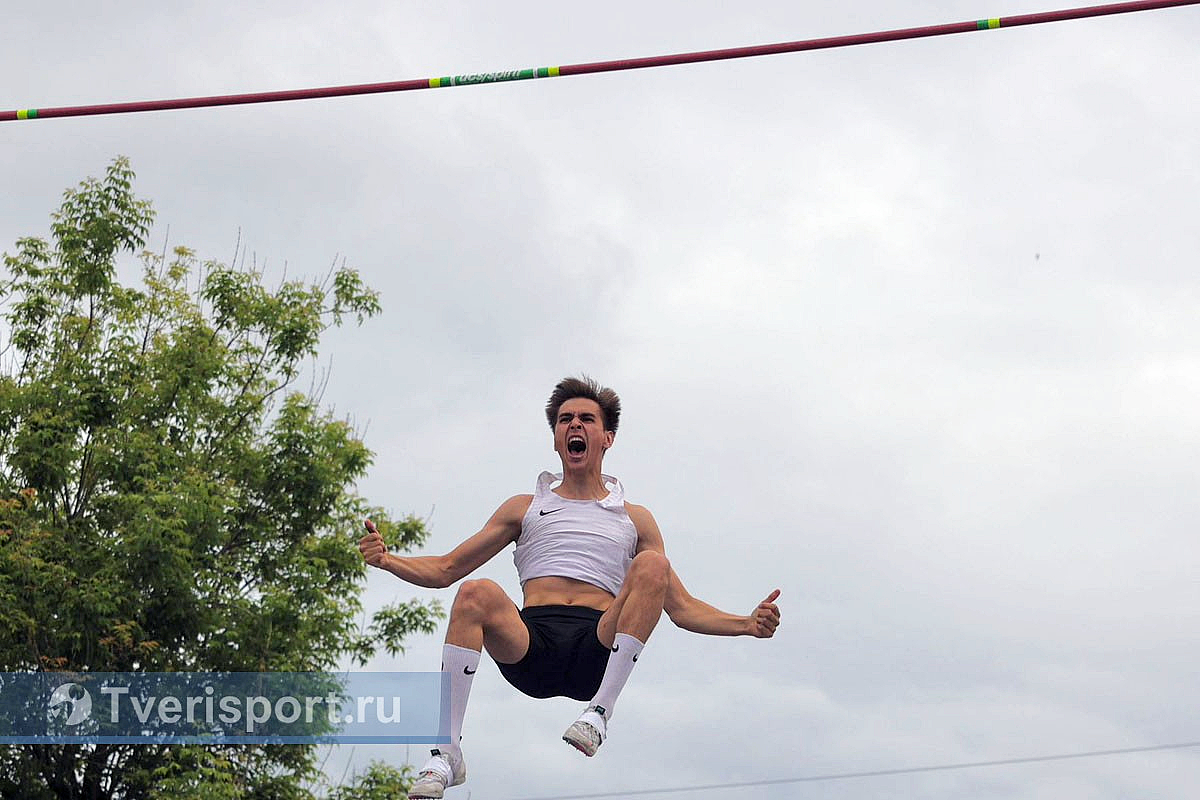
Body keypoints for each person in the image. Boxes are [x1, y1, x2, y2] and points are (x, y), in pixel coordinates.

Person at [359, 376, 781, 799]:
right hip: (531, 646)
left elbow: (683, 608)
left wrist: (746, 623)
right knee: (476, 591)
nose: (574, 425)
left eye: (585, 419)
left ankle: (598, 714)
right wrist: (387, 560)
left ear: (607, 438)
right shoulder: (525, 507)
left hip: (596, 648)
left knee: (653, 565)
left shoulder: (633, 518)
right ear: (557, 440)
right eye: (565, 420)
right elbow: (447, 568)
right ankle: (445, 755)